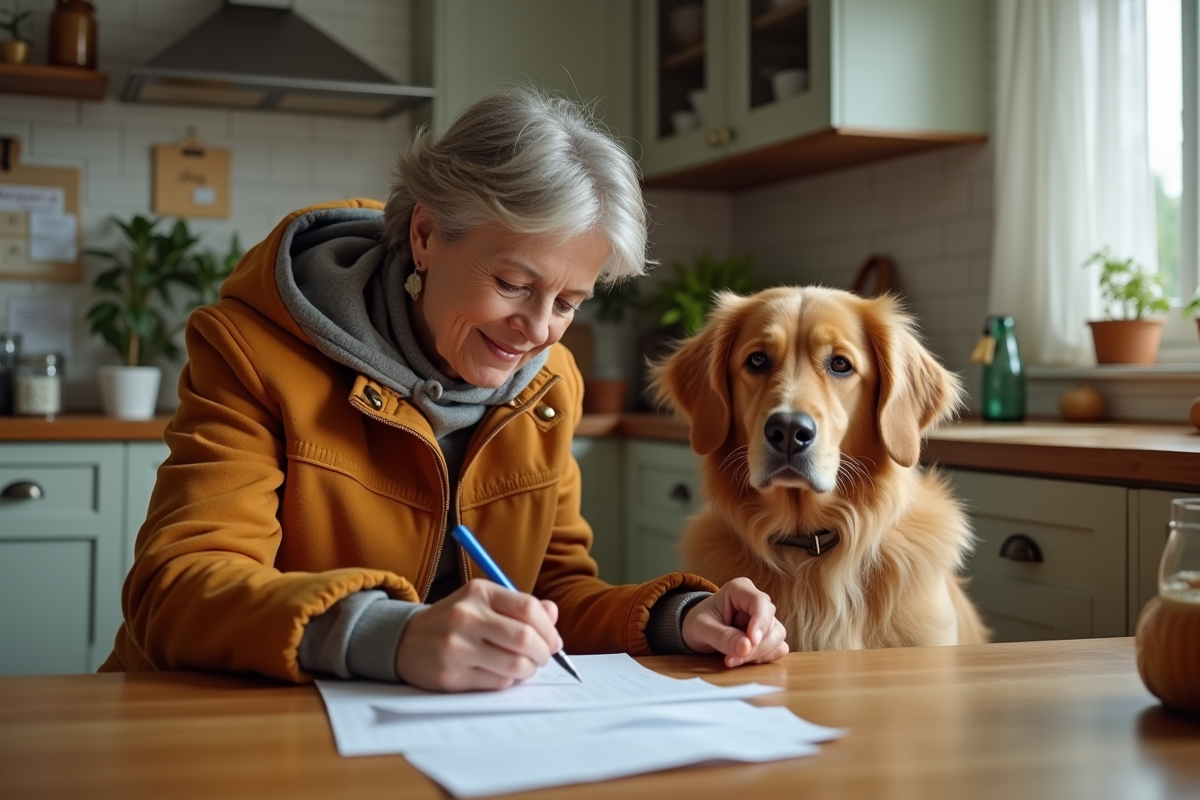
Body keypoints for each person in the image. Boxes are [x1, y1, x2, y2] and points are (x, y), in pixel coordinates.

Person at [100, 87, 788, 692]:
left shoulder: (549, 385)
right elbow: (178, 589)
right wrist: (391, 636)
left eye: (568, 302)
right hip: (222, 729)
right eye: (514, 285)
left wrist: (682, 619)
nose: (537, 330)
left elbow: (552, 594)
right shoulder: (251, 350)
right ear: (426, 235)